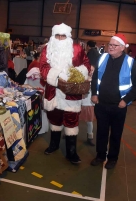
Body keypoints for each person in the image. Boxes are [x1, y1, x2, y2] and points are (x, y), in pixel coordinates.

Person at [90, 33, 136, 169]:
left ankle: (112, 158)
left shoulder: (130, 62)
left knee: (116, 134)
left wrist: (126, 100)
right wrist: (94, 93)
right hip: (101, 104)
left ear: (122, 48)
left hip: (118, 107)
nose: (111, 47)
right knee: (101, 132)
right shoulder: (102, 58)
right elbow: (95, 77)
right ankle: (100, 155)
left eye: (115, 45)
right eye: (110, 44)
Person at [39, 23, 91, 164]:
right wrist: (57, 77)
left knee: (71, 121)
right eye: (57, 36)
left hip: (71, 94)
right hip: (53, 91)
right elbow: (43, 67)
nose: (60, 39)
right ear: (53, 36)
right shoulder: (47, 50)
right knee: (54, 119)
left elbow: (86, 65)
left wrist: (74, 75)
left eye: (63, 36)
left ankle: (71, 152)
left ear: (68, 37)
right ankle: (54, 145)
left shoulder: (77, 49)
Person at [80, 40, 100, 146]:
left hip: (88, 100)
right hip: (83, 99)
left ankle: (89, 136)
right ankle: (68, 133)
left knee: (88, 120)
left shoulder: (93, 76)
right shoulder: (85, 73)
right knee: (76, 117)